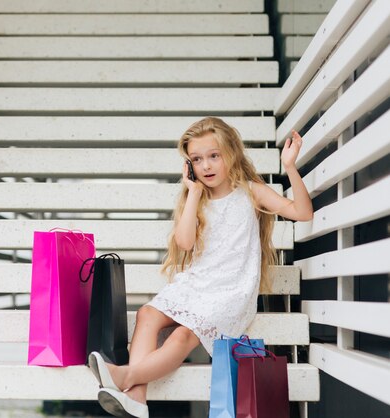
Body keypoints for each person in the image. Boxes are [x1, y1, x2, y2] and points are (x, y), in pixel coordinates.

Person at [87, 116, 313, 418]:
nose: (206, 166)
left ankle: (126, 377)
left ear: (230, 153)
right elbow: (184, 242)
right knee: (147, 314)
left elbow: (302, 212)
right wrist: (193, 193)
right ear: (189, 166)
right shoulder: (197, 198)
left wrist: (289, 166)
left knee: (182, 336)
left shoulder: (250, 191)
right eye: (197, 159)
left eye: (213, 156)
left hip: (231, 291)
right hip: (197, 283)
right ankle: (137, 399)